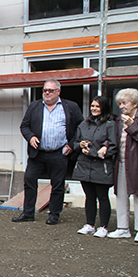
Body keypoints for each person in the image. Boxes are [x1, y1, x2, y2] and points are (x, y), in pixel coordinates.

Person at [12, 79, 83, 225]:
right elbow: (24, 126)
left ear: (58, 91)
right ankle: (28, 213)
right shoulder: (35, 106)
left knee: (57, 185)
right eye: (45, 90)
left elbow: (81, 127)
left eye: (50, 90)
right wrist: (30, 137)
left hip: (59, 153)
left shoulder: (70, 106)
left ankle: (54, 215)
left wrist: (71, 144)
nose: (47, 93)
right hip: (38, 152)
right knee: (29, 180)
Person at [73, 96, 117, 238]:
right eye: (92, 106)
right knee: (89, 196)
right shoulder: (84, 124)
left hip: (101, 166)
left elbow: (113, 146)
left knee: (103, 197)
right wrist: (80, 145)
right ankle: (90, 224)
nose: (94, 109)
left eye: (98, 106)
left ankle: (103, 227)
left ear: (104, 107)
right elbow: (75, 142)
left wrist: (93, 152)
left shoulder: (110, 124)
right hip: (84, 166)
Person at [109, 88, 138, 239]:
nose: (121, 106)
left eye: (124, 103)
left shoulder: (133, 119)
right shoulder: (119, 119)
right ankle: (123, 228)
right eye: (119, 103)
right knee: (120, 194)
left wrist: (132, 125)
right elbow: (113, 137)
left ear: (135, 104)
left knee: (137, 195)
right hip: (120, 162)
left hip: (136, 163)